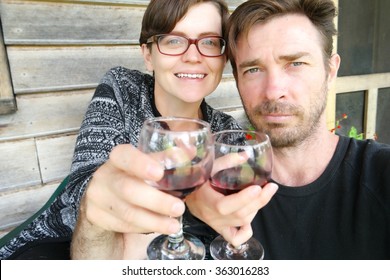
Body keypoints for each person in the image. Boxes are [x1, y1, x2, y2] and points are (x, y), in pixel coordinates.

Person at [0, 0, 243, 260]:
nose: (193, 56)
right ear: (148, 55)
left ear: (223, 57)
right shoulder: (123, 88)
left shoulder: (225, 131)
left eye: (209, 42)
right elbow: (83, 187)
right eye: (173, 41)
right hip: (66, 243)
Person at [186, 0, 390, 259]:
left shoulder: (382, 175)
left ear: (330, 70)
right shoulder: (217, 191)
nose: (273, 90)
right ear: (237, 80)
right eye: (253, 69)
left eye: (295, 63)